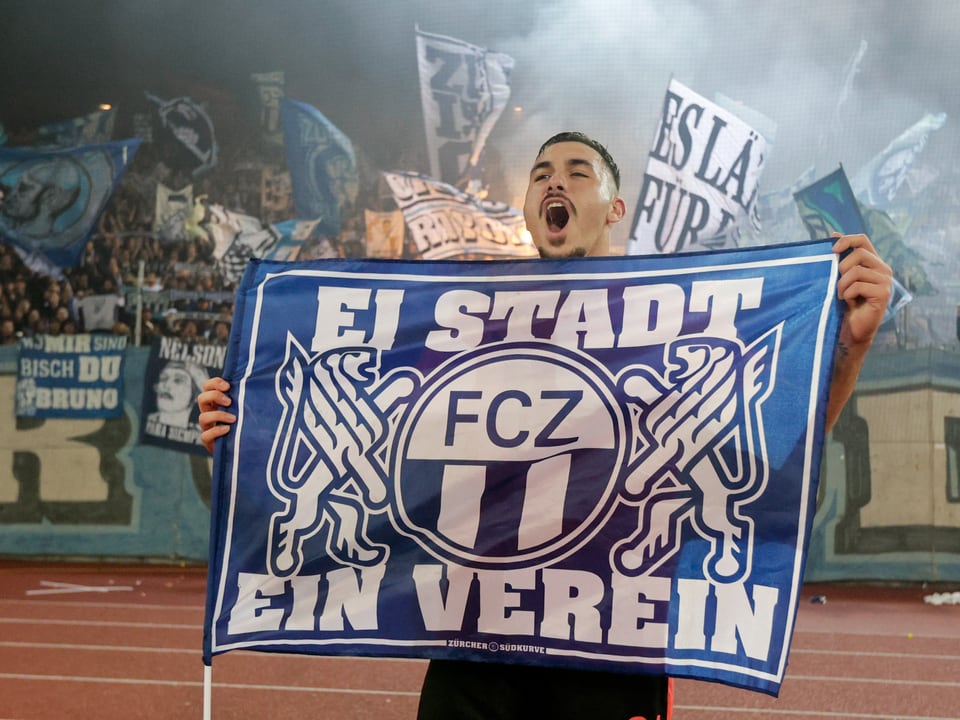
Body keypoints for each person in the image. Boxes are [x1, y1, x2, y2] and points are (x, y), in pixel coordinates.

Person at [197, 131, 893, 720]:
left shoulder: (675, 326)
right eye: (540, 175)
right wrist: (246, 427)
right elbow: (364, 436)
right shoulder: (467, 328)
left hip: (609, 651)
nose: (554, 182)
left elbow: (766, 459)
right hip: (472, 652)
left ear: (614, 207)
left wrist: (850, 349)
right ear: (529, 208)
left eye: (576, 172)